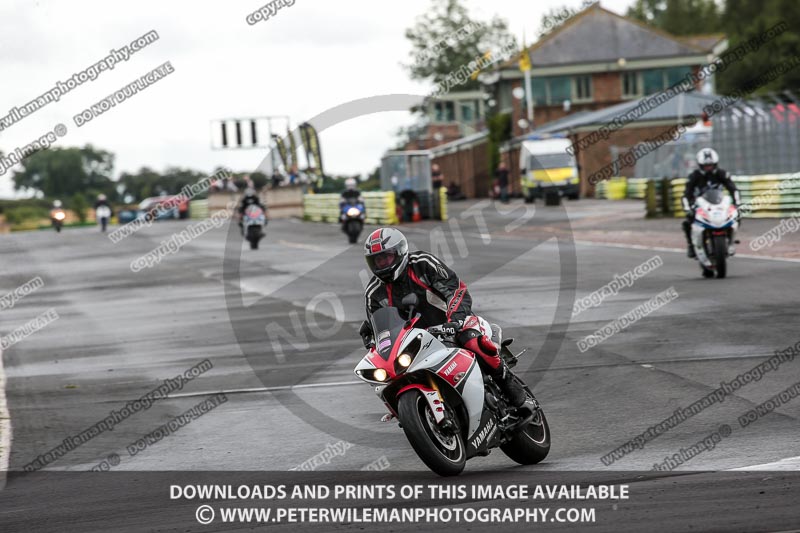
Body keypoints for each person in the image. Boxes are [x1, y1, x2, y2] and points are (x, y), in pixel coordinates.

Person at [360, 228, 527, 407]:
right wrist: (375, 342)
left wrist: (455, 320)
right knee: (391, 377)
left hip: (452, 325)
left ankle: (505, 380)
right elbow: (381, 329)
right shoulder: (374, 293)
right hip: (416, 343)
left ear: (400, 252)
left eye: (386, 257)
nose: (382, 264)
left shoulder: (422, 264)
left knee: (471, 340)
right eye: (377, 260)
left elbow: (455, 290)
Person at [681, 148, 740, 258]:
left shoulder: (722, 174)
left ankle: (730, 239)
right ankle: (691, 245)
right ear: (700, 165)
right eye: (706, 166)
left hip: (718, 203)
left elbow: (733, 189)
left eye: (710, 165)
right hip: (700, 205)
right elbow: (686, 194)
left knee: (736, 215)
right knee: (687, 222)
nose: (708, 168)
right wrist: (687, 208)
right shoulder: (694, 176)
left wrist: (737, 203)